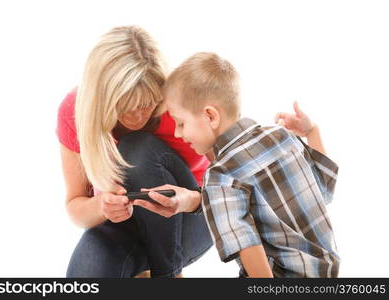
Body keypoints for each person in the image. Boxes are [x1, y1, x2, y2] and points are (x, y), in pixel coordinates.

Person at [134, 52, 340, 277]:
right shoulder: (281, 137)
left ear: (211, 116)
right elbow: (323, 191)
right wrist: (312, 131)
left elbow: (248, 245)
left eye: (181, 123)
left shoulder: (220, 177)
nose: (177, 132)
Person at [56, 26, 213, 278]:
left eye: (147, 103)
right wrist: (102, 207)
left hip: (191, 216)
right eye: (125, 106)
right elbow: (76, 207)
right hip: (124, 225)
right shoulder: (75, 112)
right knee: (85, 275)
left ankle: (167, 276)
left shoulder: (183, 105)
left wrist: (188, 200)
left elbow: (231, 191)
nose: (138, 116)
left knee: (137, 148)